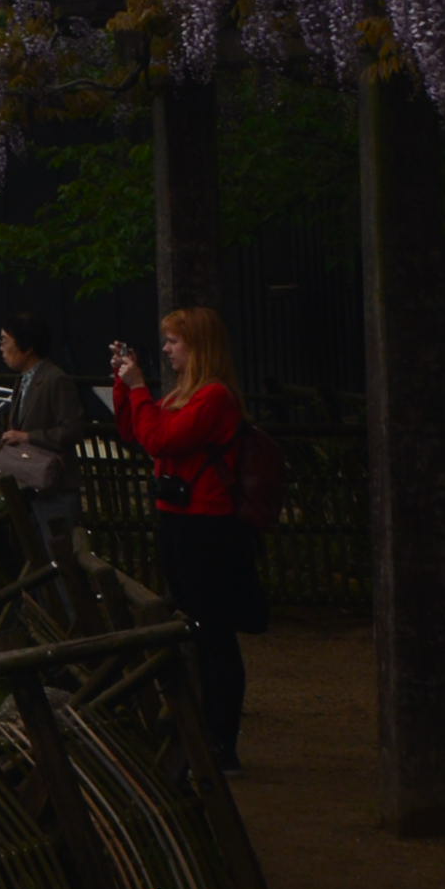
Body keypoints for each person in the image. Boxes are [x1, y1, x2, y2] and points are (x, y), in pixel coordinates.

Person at [111, 306, 265, 769]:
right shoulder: (185, 394)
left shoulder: (214, 398)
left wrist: (139, 387)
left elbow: (163, 440)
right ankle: (199, 727)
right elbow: (137, 431)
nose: (166, 349)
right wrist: (125, 384)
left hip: (207, 525)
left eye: (174, 341)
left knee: (212, 632)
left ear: (198, 347)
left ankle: (220, 739)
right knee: (192, 627)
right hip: (179, 518)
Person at [0, 312, 88, 570]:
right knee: (35, 558)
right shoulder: (23, 379)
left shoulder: (56, 379)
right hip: (30, 482)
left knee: (59, 561)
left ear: (27, 345)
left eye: (5, 341)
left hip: (55, 484)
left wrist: (27, 437)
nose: (1, 348)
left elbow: (72, 430)